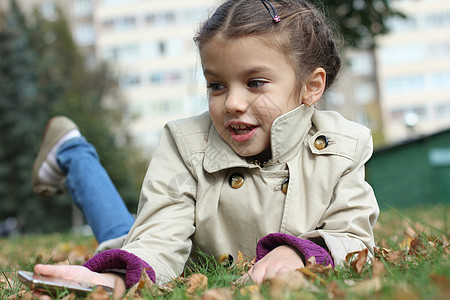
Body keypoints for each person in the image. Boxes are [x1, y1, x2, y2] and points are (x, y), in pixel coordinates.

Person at [31, 0, 379, 295]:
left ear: (311, 86)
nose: (232, 103)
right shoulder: (186, 143)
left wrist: (300, 254)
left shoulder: (343, 146)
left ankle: (72, 151)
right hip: (155, 248)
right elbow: (160, 236)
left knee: (120, 224)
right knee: (118, 232)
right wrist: (116, 279)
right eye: (216, 85)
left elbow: (351, 232)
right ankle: (72, 152)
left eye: (255, 82)